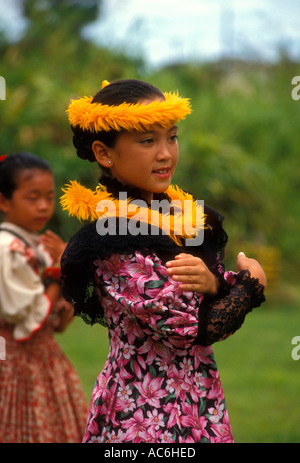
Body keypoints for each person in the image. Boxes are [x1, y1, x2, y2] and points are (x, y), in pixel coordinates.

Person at [60, 79, 267, 443]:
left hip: (198, 399)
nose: (165, 154)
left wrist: (217, 284)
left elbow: (213, 308)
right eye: (147, 141)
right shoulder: (114, 239)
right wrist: (248, 287)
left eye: (171, 137)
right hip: (143, 408)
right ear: (105, 153)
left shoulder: (178, 218)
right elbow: (192, 326)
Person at [0, 152, 89, 443]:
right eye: (32, 197)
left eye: (49, 197)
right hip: (14, 360)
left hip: (42, 357)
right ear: (4, 201)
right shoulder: (7, 249)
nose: (43, 206)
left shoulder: (35, 243)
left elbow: (59, 322)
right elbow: (29, 316)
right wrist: (57, 273)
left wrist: (64, 265)